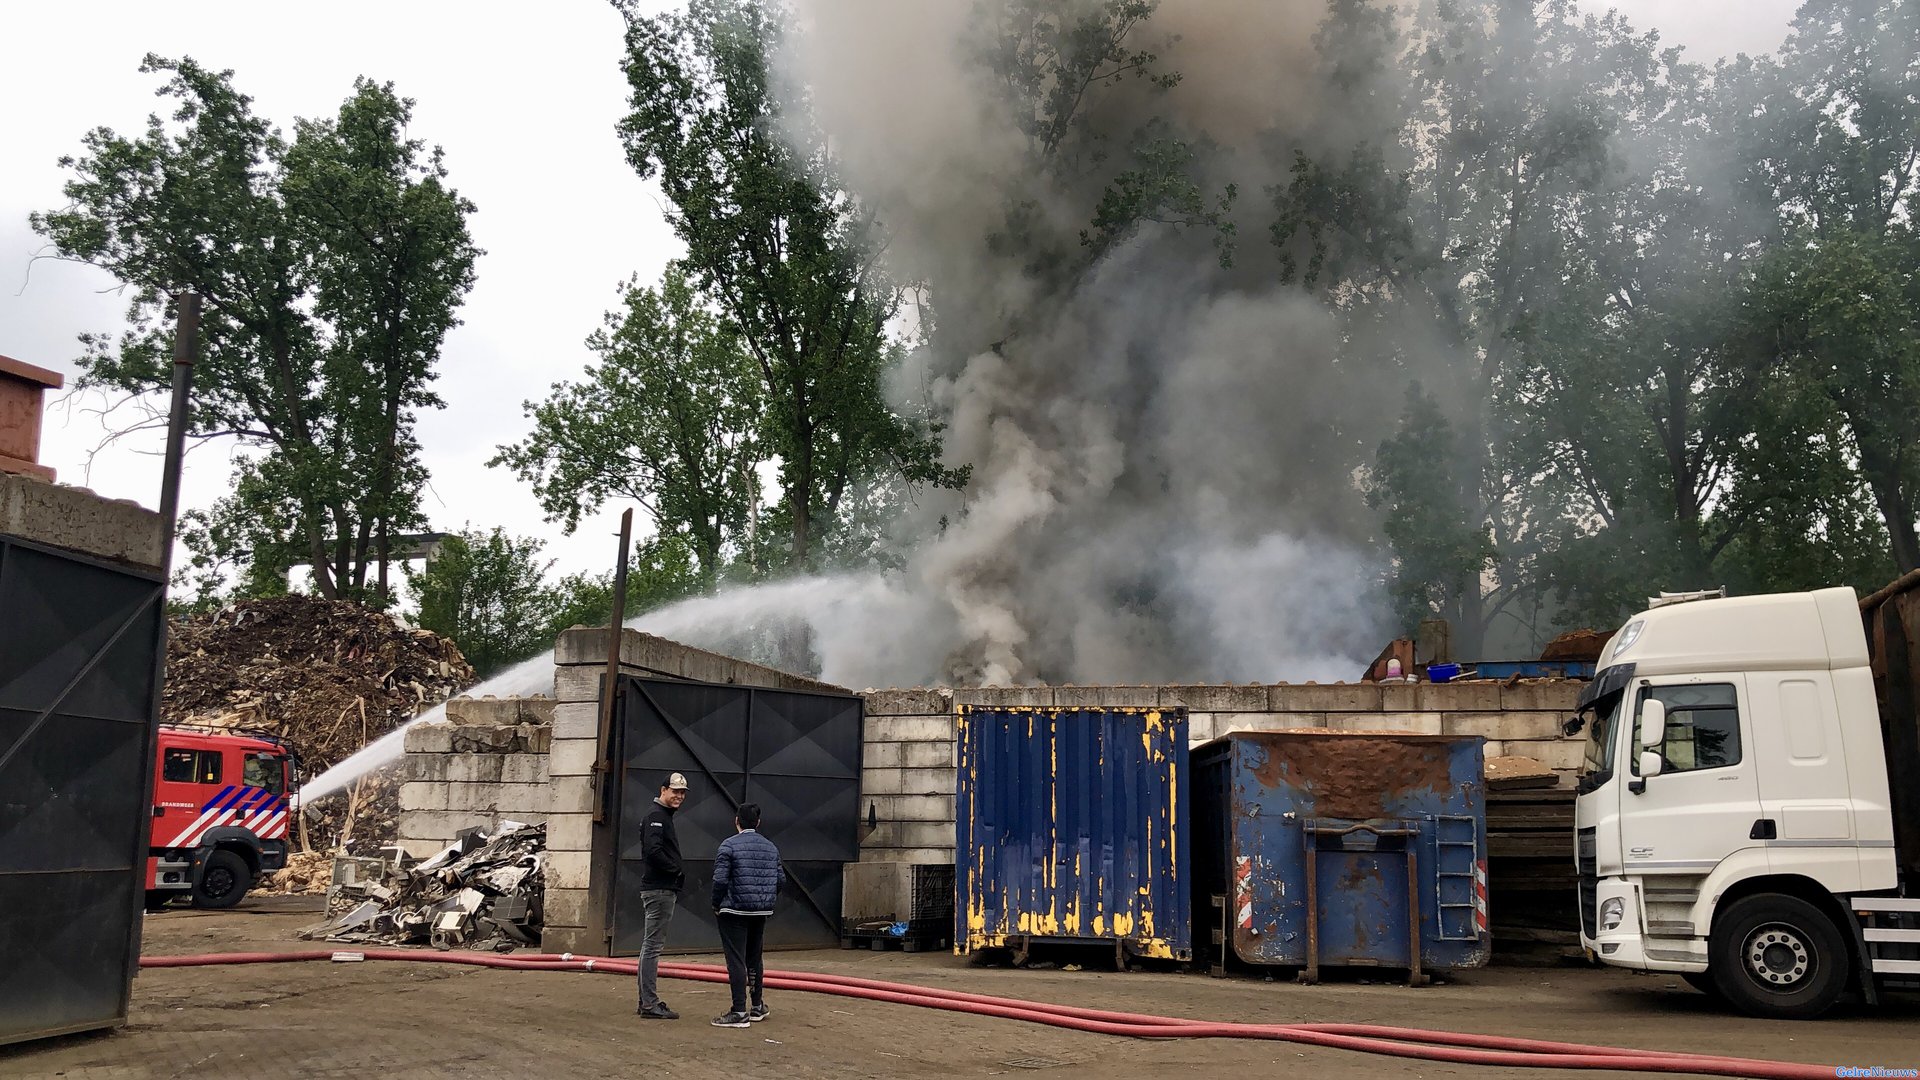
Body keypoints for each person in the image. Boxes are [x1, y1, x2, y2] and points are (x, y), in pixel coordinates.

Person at [708, 802, 783, 1028]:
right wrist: (766, 898)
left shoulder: (728, 846)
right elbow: (781, 880)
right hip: (760, 910)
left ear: (736, 821)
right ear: (758, 822)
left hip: (734, 910)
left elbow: (720, 880)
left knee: (736, 959)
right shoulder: (771, 847)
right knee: (754, 957)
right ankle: (757, 1006)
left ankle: (739, 1011)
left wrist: (716, 903)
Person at [636, 772, 689, 1020]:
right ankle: (649, 1003)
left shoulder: (660, 815)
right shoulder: (657, 816)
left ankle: (646, 1001)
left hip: (659, 888)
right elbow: (653, 851)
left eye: (682, 792)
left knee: (650, 945)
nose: (679, 796)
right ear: (663, 790)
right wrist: (675, 870)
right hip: (659, 889)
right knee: (652, 946)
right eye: (675, 791)